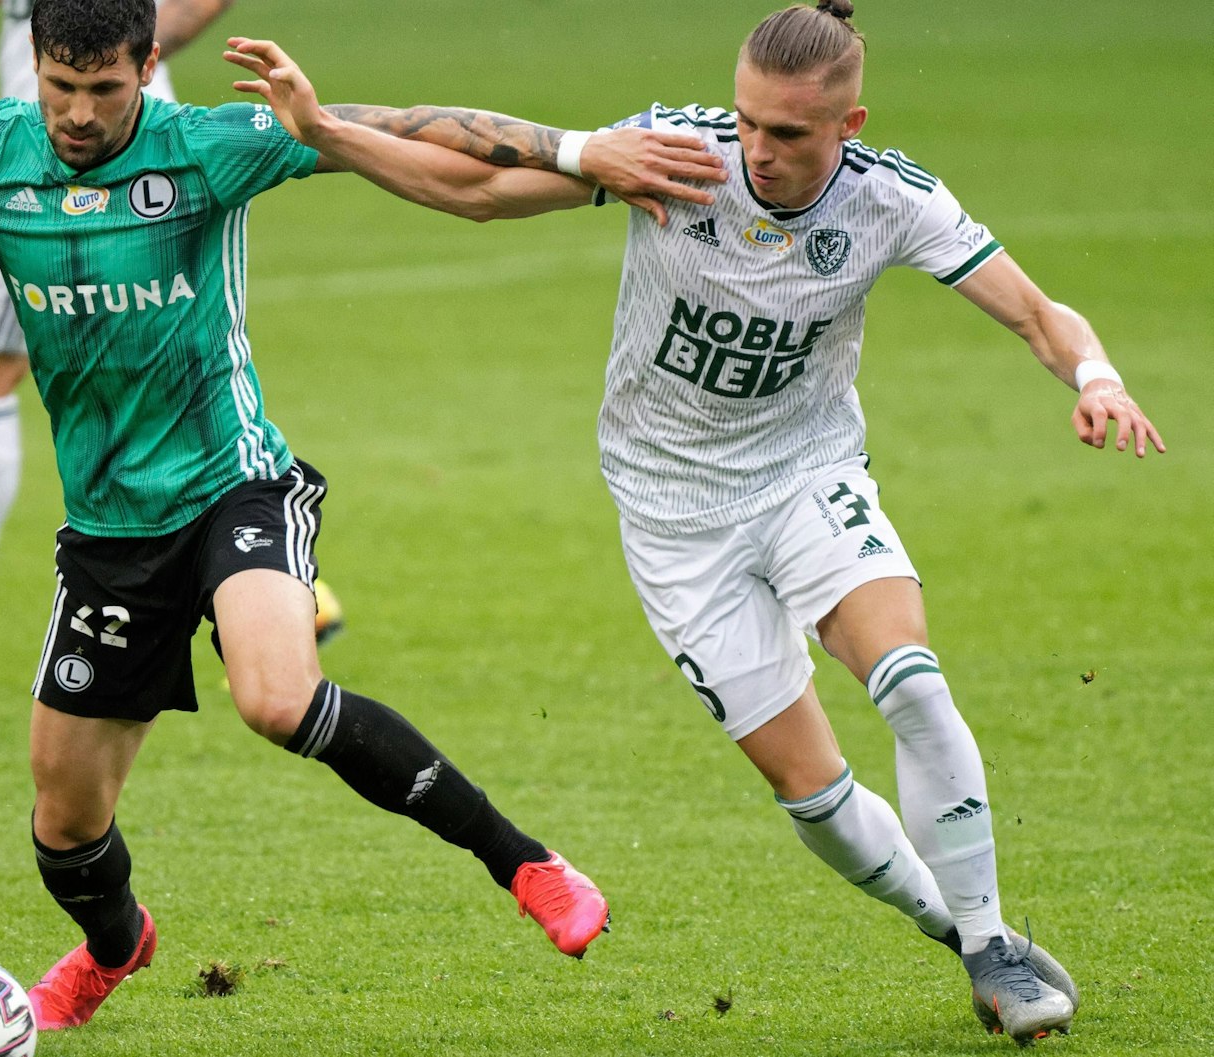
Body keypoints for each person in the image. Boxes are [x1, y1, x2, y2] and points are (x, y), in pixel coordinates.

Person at [0, 0, 723, 1028]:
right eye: (58, 86)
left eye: (102, 89)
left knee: (276, 698)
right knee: (64, 824)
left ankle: (526, 864)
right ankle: (113, 947)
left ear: (146, 64)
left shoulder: (210, 147)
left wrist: (584, 155)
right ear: (34, 65)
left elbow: (414, 136)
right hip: (106, 534)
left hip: (234, 487)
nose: (78, 114)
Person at [224, 0, 1166, 1044]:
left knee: (906, 675)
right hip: (670, 516)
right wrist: (329, 134)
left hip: (805, 477)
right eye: (746, 120)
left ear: (847, 126)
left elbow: (1036, 310)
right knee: (807, 789)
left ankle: (995, 946)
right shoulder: (677, 158)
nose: (755, 150)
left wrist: (1095, 376)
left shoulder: (890, 201)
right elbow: (484, 188)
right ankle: (952, 930)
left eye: (788, 134)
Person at [0, 0, 356, 692]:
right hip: (41, 147)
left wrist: (135, 46)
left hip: (60, 171)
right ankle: (263, 569)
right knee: (19, 370)